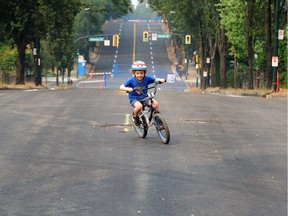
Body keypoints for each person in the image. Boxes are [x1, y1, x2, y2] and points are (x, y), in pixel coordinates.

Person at [120, 61, 166, 127]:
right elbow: (121, 87)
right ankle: (135, 117)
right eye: (137, 73)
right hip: (134, 99)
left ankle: (159, 120)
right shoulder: (131, 80)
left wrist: (161, 80)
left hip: (144, 97)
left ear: (144, 73)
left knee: (155, 104)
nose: (140, 75)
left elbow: (155, 79)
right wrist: (127, 89)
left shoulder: (147, 79)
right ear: (134, 73)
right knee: (139, 106)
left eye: (141, 73)